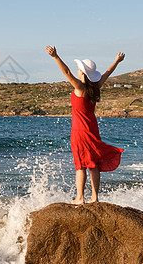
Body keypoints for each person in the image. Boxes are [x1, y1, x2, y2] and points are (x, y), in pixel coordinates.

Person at [46, 45, 125, 205]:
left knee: (80, 165)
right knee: (93, 163)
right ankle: (95, 197)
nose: (76, 70)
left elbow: (66, 72)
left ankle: (80, 198)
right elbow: (107, 73)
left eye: (79, 68)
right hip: (92, 129)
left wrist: (55, 57)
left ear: (82, 72)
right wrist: (117, 61)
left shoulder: (80, 87)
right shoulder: (95, 88)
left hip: (79, 131)